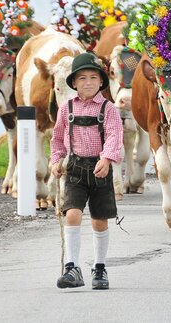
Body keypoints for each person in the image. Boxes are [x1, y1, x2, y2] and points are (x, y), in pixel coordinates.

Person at [50, 52, 123, 289]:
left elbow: (114, 135)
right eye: (82, 78)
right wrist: (55, 160)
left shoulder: (109, 108)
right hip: (75, 168)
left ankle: (99, 268)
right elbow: (57, 138)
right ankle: (72, 267)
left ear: (102, 81)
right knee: (72, 214)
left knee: (99, 220)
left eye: (93, 77)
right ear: (73, 82)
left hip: (100, 168)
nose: (88, 82)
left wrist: (107, 158)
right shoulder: (66, 108)